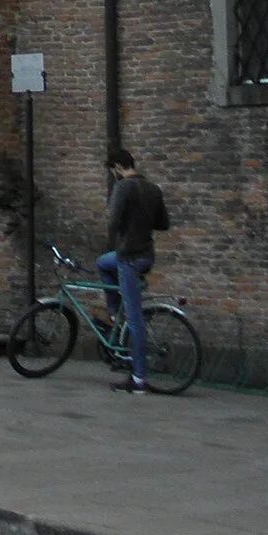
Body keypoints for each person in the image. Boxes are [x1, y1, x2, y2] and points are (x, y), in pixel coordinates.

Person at [99, 147, 170, 392]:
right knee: (103, 263)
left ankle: (139, 378)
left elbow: (113, 221)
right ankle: (113, 312)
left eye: (113, 171)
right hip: (146, 255)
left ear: (118, 167)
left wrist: (125, 226)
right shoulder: (153, 188)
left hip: (129, 257)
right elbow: (163, 224)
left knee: (135, 318)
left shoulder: (122, 187)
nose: (114, 175)